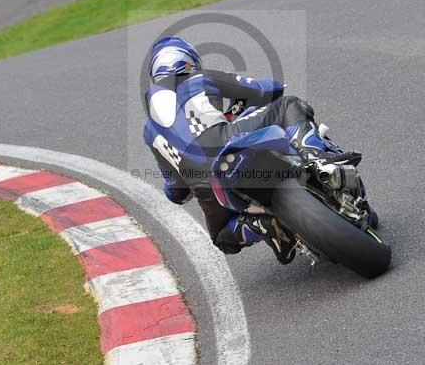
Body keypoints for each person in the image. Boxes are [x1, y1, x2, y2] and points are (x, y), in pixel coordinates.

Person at [143, 37, 351, 264]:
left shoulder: (150, 130)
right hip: (223, 138)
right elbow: (267, 90)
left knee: (222, 236)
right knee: (288, 105)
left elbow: (176, 193)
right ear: (190, 62)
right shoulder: (199, 78)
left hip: (201, 182)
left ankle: (261, 225)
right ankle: (318, 159)